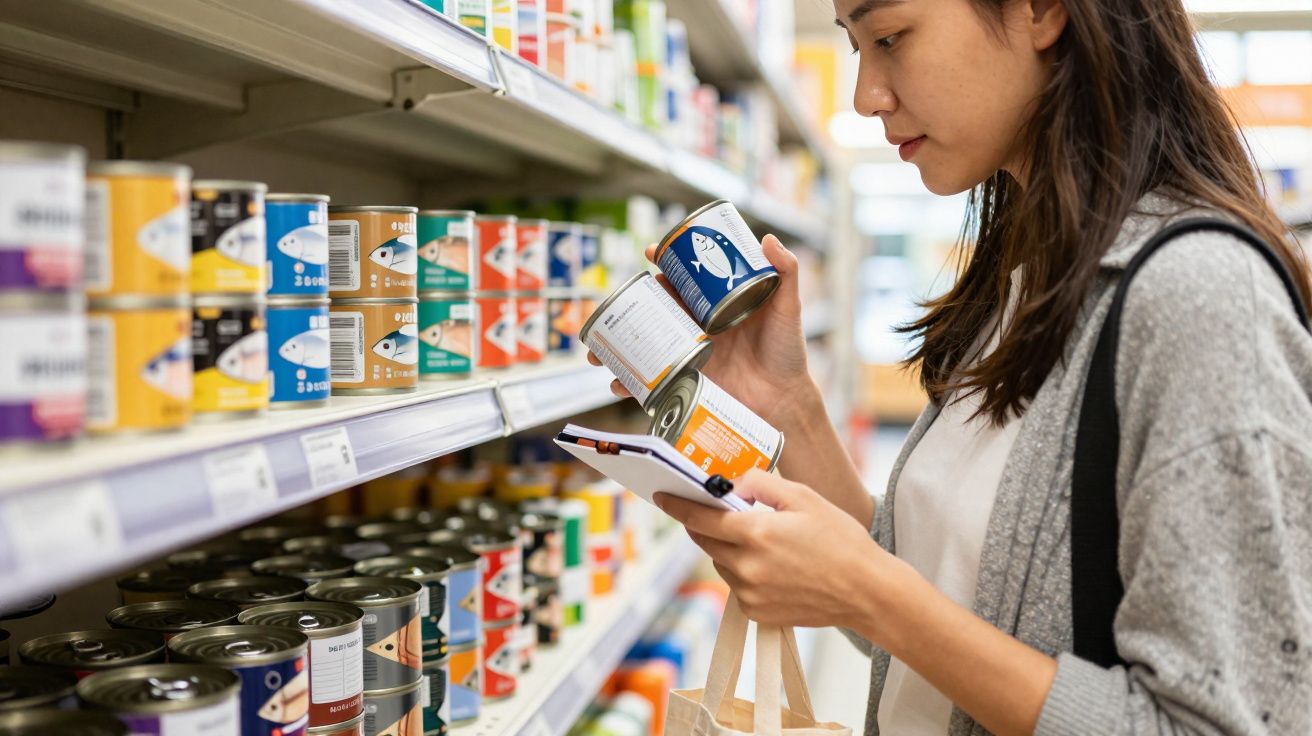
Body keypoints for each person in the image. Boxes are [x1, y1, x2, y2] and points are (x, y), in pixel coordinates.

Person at [591, 1, 1312, 734]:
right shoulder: (1025, 277)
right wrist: (786, 405)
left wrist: (872, 595)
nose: (865, 96)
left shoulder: (1201, 296)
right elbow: (945, 617)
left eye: (890, 37)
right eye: (855, 48)